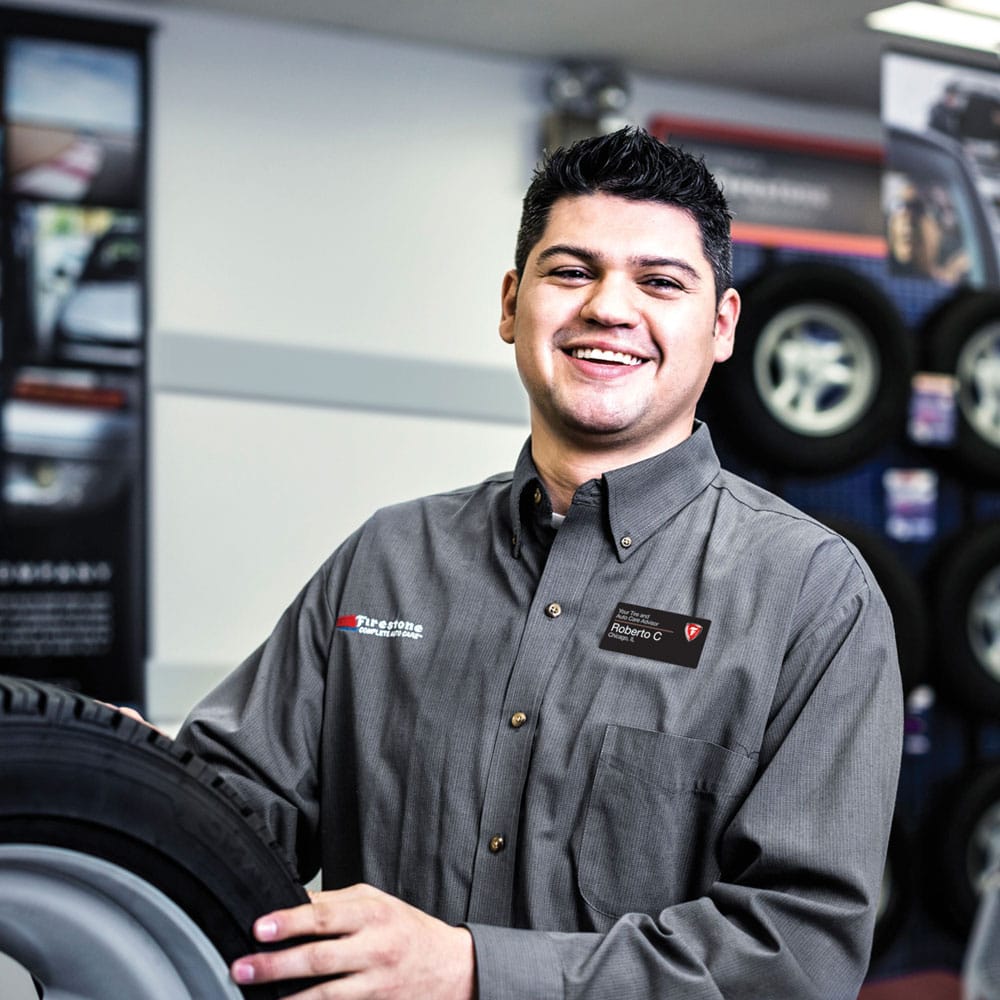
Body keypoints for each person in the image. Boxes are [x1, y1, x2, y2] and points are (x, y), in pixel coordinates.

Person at [173, 126, 903, 999]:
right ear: (512, 302)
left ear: (721, 327)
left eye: (660, 282)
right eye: (571, 271)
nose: (608, 307)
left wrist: (475, 971)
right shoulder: (388, 560)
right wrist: (119, 772)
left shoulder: (811, 597)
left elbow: (795, 953)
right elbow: (234, 811)